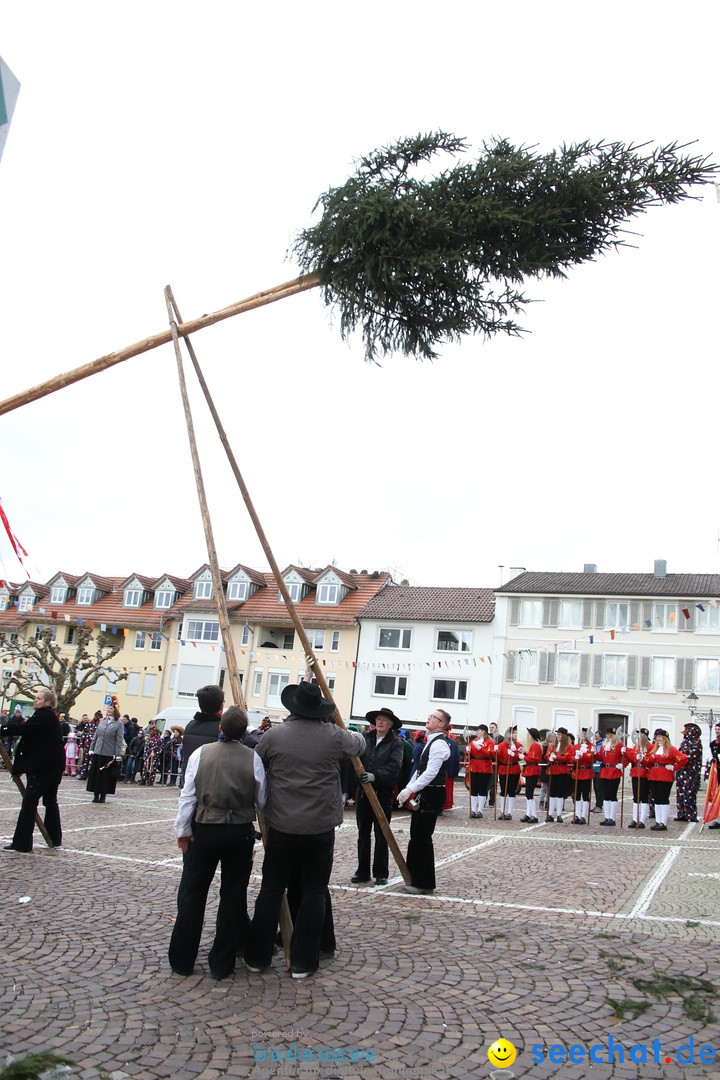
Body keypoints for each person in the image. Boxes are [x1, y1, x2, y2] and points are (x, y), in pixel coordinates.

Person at [244, 680, 364, 979]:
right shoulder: (334, 736)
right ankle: (302, 961)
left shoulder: (275, 735)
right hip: (319, 828)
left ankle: (257, 957)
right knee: (314, 892)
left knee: (271, 890)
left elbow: (256, 759)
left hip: (282, 825)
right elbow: (359, 744)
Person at [168, 706, 266, 979]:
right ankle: (221, 963)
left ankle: (182, 959)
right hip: (238, 833)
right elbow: (262, 800)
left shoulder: (202, 754)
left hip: (205, 830)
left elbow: (188, 796)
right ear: (245, 732)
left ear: (220, 728)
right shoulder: (253, 758)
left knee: (193, 893)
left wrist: (183, 830)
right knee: (232, 897)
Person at [1, 688, 65, 852]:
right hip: (51, 767)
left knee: (30, 802)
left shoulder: (44, 715)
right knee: (50, 801)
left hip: (44, 768)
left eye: (38, 698)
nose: (35, 700)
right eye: (35, 698)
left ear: (47, 702)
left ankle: (21, 844)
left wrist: (2, 730)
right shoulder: (47, 716)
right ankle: (54, 838)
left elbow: (24, 728)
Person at [397, 709, 451, 894]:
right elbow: (420, 770)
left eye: (433, 717)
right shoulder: (431, 741)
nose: (429, 718)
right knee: (416, 835)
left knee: (423, 838)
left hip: (433, 793)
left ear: (441, 724)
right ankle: (413, 877)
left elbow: (431, 773)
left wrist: (411, 789)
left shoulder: (440, 745)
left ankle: (424, 882)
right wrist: (408, 788)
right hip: (426, 791)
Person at [351, 706, 403, 886]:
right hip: (364, 793)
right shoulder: (365, 738)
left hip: (382, 792)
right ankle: (362, 871)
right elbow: (354, 758)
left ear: (390, 725)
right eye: (379, 719)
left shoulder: (396, 743)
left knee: (382, 833)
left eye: (384, 720)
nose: (380, 722)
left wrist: (376, 776)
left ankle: (381, 872)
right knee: (363, 833)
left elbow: (394, 766)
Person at [644, 729, 688, 831]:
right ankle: (658, 821)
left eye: (660, 737)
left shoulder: (671, 749)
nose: (658, 739)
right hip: (654, 775)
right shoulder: (655, 750)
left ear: (665, 738)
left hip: (665, 775)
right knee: (656, 799)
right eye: (657, 737)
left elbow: (684, 759)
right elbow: (649, 762)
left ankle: (663, 822)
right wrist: (641, 759)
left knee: (663, 799)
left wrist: (674, 767)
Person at [180, 684, 224, 779]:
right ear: (221, 705)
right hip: (211, 784)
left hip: (189, 781)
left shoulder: (190, 726)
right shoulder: (222, 728)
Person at [86, 704, 125, 803]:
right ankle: (95, 794)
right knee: (96, 774)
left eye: (111, 708)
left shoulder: (118, 723)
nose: (109, 710)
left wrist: (117, 754)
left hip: (109, 753)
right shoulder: (102, 721)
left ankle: (102, 795)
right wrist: (92, 748)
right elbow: (96, 735)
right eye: (108, 708)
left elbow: (119, 739)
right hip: (98, 751)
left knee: (104, 776)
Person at [596, 728, 625, 826]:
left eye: (609, 734)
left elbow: (625, 757)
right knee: (606, 795)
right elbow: (600, 757)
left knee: (613, 794)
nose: (607, 736)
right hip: (605, 771)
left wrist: (622, 764)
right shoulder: (604, 745)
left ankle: (612, 818)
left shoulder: (619, 745)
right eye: (607, 734)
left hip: (614, 771)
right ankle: (607, 816)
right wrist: (595, 753)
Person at [467, 724, 496, 819]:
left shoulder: (490, 742)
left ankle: (480, 810)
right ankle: (473, 810)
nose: (477, 732)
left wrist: (480, 748)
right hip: (474, 766)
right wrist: (468, 751)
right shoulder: (473, 741)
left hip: (484, 766)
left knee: (482, 789)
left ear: (483, 731)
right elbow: (469, 755)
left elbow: (490, 755)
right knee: (474, 789)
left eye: (479, 730)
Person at [624, 728, 651, 829]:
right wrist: (626, 752)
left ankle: (642, 820)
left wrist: (644, 758)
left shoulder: (651, 746)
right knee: (636, 797)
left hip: (645, 773)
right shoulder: (636, 746)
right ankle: (635, 819)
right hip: (636, 772)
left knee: (644, 797)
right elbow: (631, 758)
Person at [675, 722, 702, 822]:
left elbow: (692, 756)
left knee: (689, 794)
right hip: (681, 772)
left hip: (691, 773)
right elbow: (679, 753)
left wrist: (682, 758)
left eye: (687, 730)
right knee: (681, 793)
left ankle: (691, 815)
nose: (685, 733)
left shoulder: (696, 742)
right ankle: (681, 814)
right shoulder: (684, 742)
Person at [546, 728, 573, 823]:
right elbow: (547, 755)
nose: (558, 736)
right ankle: (550, 814)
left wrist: (557, 757)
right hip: (553, 769)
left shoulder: (568, 746)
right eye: (557, 734)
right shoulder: (552, 746)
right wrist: (550, 757)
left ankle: (559, 814)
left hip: (562, 770)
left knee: (560, 793)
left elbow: (568, 757)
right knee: (552, 792)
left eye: (560, 734)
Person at [496, 728, 523, 820]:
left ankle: (509, 812)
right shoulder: (501, 745)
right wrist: (495, 752)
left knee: (512, 791)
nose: (512, 735)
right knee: (503, 790)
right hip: (504, 768)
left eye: (514, 733)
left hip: (514, 769)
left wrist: (515, 753)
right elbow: (496, 759)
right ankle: (502, 811)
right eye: (511, 733)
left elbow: (521, 757)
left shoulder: (518, 745)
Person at [571, 732, 595, 825]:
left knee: (585, 794)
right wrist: (575, 757)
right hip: (578, 772)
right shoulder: (576, 746)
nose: (584, 736)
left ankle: (584, 816)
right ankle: (577, 815)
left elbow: (592, 759)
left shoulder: (591, 746)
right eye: (582, 734)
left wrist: (583, 754)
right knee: (577, 795)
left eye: (585, 734)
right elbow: (571, 759)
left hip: (586, 772)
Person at [520, 727, 542, 823]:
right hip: (530, 769)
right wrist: (524, 753)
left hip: (533, 770)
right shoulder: (534, 745)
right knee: (528, 793)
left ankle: (534, 815)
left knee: (529, 793)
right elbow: (531, 756)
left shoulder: (535, 745)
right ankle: (528, 814)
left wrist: (523, 756)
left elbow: (533, 758)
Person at [140, 719, 163, 785]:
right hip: (148, 755)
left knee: (152, 768)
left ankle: (151, 779)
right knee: (145, 767)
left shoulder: (159, 740)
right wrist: (145, 754)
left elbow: (160, 748)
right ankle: (144, 778)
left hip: (154, 756)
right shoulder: (148, 739)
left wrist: (155, 753)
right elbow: (146, 747)